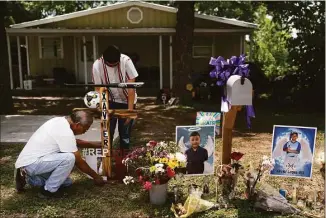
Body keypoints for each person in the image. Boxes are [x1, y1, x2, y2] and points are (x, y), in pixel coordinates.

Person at [14, 111, 106, 198]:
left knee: (66, 182)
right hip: (32, 163)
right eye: (86, 128)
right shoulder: (65, 132)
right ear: (77, 125)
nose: (85, 131)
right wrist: (96, 177)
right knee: (69, 158)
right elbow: (79, 161)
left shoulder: (59, 121)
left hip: (32, 162)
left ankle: (29, 178)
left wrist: (95, 145)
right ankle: (48, 192)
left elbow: (73, 141)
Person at [92, 45, 138, 179]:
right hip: (109, 100)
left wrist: (129, 111)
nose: (112, 66)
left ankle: (124, 164)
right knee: (107, 132)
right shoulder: (97, 66)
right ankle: (105, 164)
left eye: (115, 64)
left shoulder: (127, 61)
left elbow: (131, 88)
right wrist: (102, 108)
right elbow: (99, 89)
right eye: (109, 64)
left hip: (127, 100)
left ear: (119, 59)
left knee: (125, 135)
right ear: (104, 60)